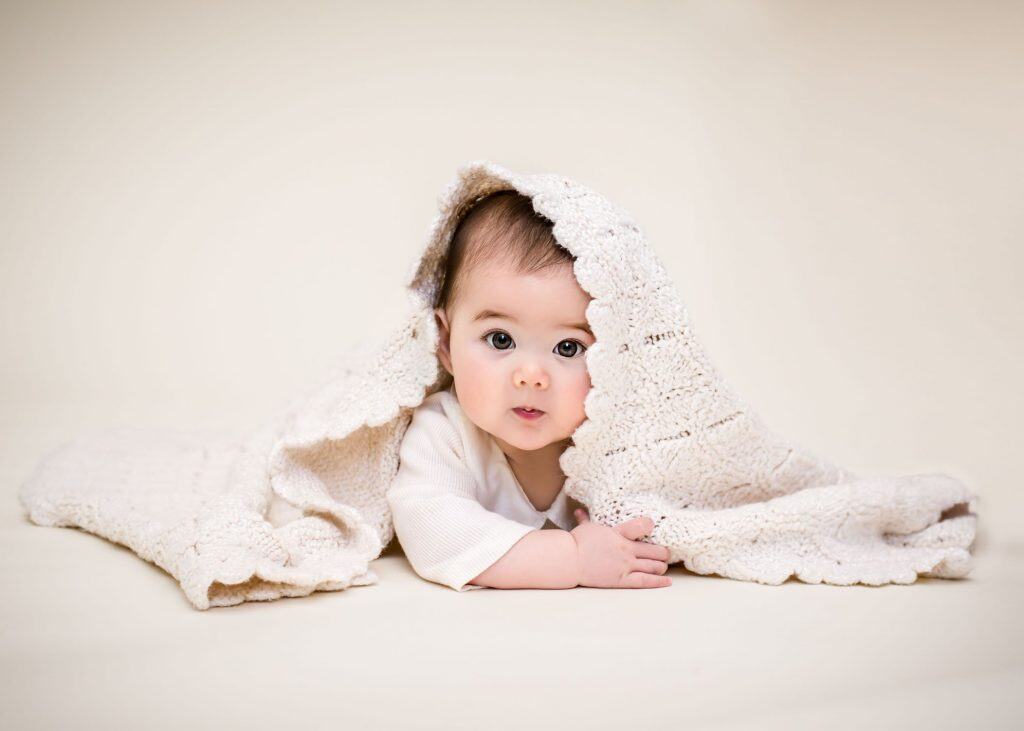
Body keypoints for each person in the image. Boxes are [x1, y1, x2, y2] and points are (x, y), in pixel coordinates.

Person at [387, 190, 673, 590]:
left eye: (568, 348)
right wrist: (573, 560)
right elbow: (433, 529)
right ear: (446, 344)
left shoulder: (616, 441)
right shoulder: (445, 431)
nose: (531, 376)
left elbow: (673, 510)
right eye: (500, 340)